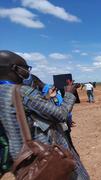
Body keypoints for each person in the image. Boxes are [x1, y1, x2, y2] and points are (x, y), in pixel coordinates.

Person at [0, 50, 90, 179]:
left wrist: (47, 98)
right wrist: (69, 93)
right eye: (25, 68)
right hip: (46, 152)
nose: (27, 72)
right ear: (15, 68)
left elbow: (28, 115)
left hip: (21, 157)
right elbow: (61, 114)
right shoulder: (22, 92)